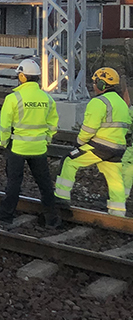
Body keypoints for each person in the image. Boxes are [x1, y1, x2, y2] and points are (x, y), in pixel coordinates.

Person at [55, 67, 130, 217]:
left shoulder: (99, 102)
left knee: (69, 161)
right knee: (115, 179)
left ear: (102, 84)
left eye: (96, 83)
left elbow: (88, 129)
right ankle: (118, 213)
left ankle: (60, 199)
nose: (94, 86)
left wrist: (79, 143)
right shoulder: (122, 103)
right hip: (118, 149)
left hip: (100, 146)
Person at [0, 58, 61, 229]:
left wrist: (5, 143)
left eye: (19, 75)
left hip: (18, 148)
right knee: (45, 185)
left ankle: (5, 217)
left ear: (23, 77)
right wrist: (47, 139)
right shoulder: (47, 98)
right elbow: (53, 123)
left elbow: (5, 125)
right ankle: (52, 220)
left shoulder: (13, 98)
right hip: (39, 149)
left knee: (14, 184)